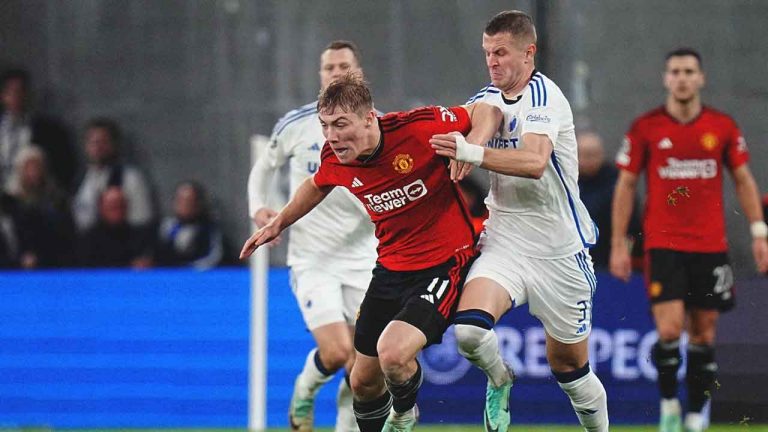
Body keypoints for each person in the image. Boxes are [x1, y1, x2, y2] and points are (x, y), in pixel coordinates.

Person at [241, 73, 502, 432]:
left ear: (368, 118)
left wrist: (472, 148)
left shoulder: (419, 128)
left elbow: (487, 109)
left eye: (340, 124)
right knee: (362, 381)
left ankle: (405, 414)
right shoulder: (335, 155)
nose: (331, 136)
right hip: (389, 269)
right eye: (325, 125)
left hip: (443, 263)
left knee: (393, 354)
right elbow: (316, 186)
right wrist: (279, 222)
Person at [430, 10, 609, 432]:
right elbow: (485, 112)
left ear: (529, 53)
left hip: (560, 251)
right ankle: (499, 377)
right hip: (505, 240)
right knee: (469, 334)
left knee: (570, 370)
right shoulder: (489, 94)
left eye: (502, 53)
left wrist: (472, 153)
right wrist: (472, 138)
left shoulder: (546, 97)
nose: (492, 61)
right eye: (487, 53)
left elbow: (533, 161)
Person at [610, 48, 768, 432]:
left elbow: (744, 180)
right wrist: (619, 241)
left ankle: (696, 415)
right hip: (664, 246)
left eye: (689, 71)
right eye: (675, 71)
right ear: (666, 78)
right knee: (668, 330)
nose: (682, 78)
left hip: (711, 246)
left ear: (701, 78)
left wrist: (759, 231)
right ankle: (668, 407)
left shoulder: (722, 127)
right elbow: (626, 184)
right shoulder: (646, 127)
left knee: (703, 333)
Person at [247, 40, 377, 432]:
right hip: (312, 258)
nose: (335, 73)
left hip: (365, 258)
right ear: (320, 74)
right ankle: (304, 391)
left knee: (362, 366)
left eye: (343, 66)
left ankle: (344, 426)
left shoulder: (376, 125)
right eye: (328, 67)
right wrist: (259, 208)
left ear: (358, 73)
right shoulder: (297, 124)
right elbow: (264, 167)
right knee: (337, 352)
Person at [72, 118, 154, 233]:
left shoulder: (130, 178)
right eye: (93, 142)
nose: (97, 147)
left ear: (114, 145)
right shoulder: (81, 178)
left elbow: (141, 219)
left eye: (103, 142)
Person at [0, 69, 77, 191]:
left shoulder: (49, 130)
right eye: (12, 92)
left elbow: (65, 167)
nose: (17, 97)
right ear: (3, 96)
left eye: (22, 91)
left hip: (34, 200)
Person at [577, 130, 641, 270]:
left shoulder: (616, 182)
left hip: (608, 255)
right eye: (583, 155)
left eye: (592, 155)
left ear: (601, 154)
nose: (587, 161)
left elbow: (631, 222)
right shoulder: (566, 181)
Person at [77, 186, 154, 268]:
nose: (116, 210)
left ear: (126, 207)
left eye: (120, 205)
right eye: (112, 206)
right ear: (101, 207)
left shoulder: (139, 237)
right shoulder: (89, 239)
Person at [156, 181, 224, 269]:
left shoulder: (208, 230)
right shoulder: (166, 227)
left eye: (188, 201)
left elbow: (213, 259)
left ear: (198, 204)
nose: (183, 205)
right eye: (180, 200)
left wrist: (186, 269)